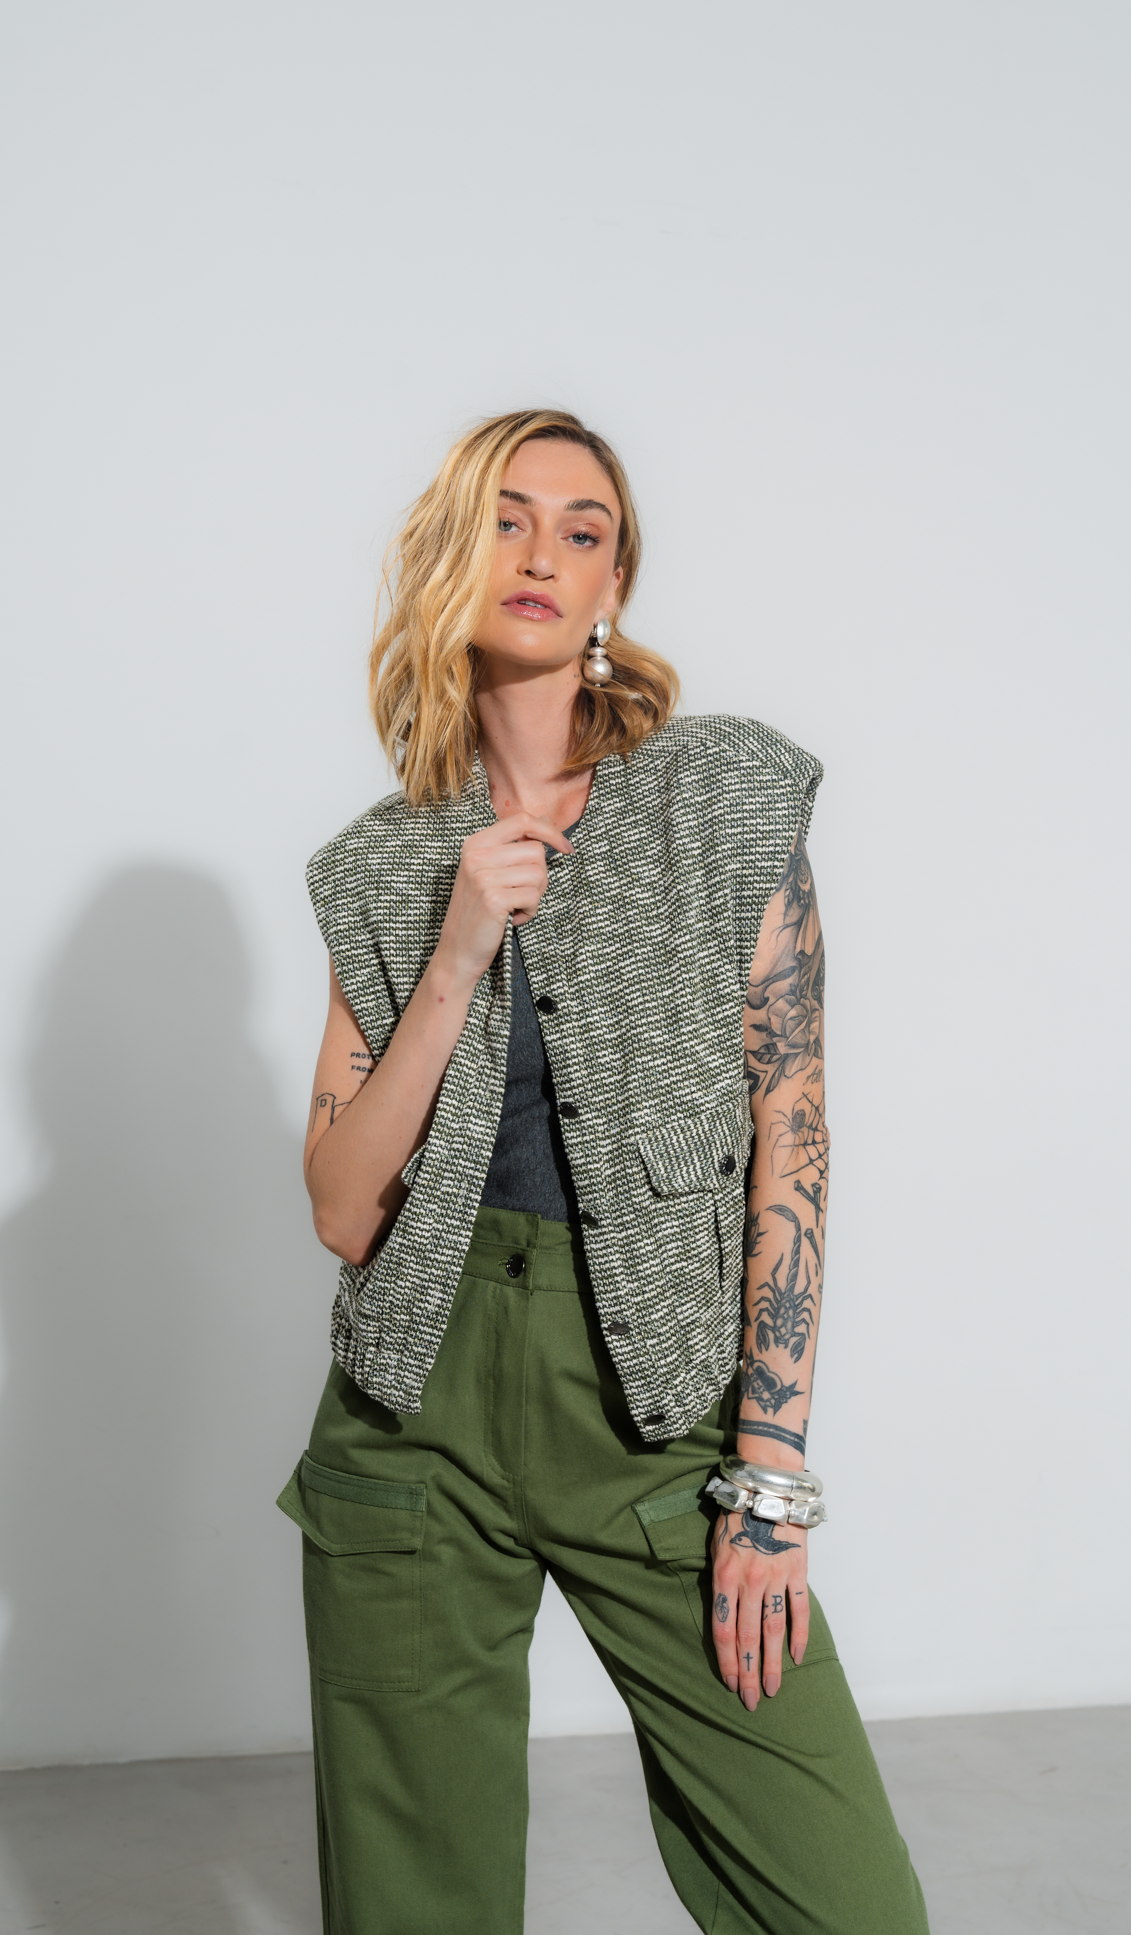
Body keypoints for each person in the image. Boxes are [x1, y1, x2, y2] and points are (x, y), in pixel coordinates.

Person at [279, 408, 928, 1935]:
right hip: (412, 1418)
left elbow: (792, 1127)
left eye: (584, 530)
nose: (543, 553)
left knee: (847, 1906)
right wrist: (456, 950)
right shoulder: (380, 862)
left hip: (653, 1403)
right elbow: (342, 1207)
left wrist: (766, 1477)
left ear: (612, 583)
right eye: (508, 518)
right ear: (455, 553)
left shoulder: (722, 797)